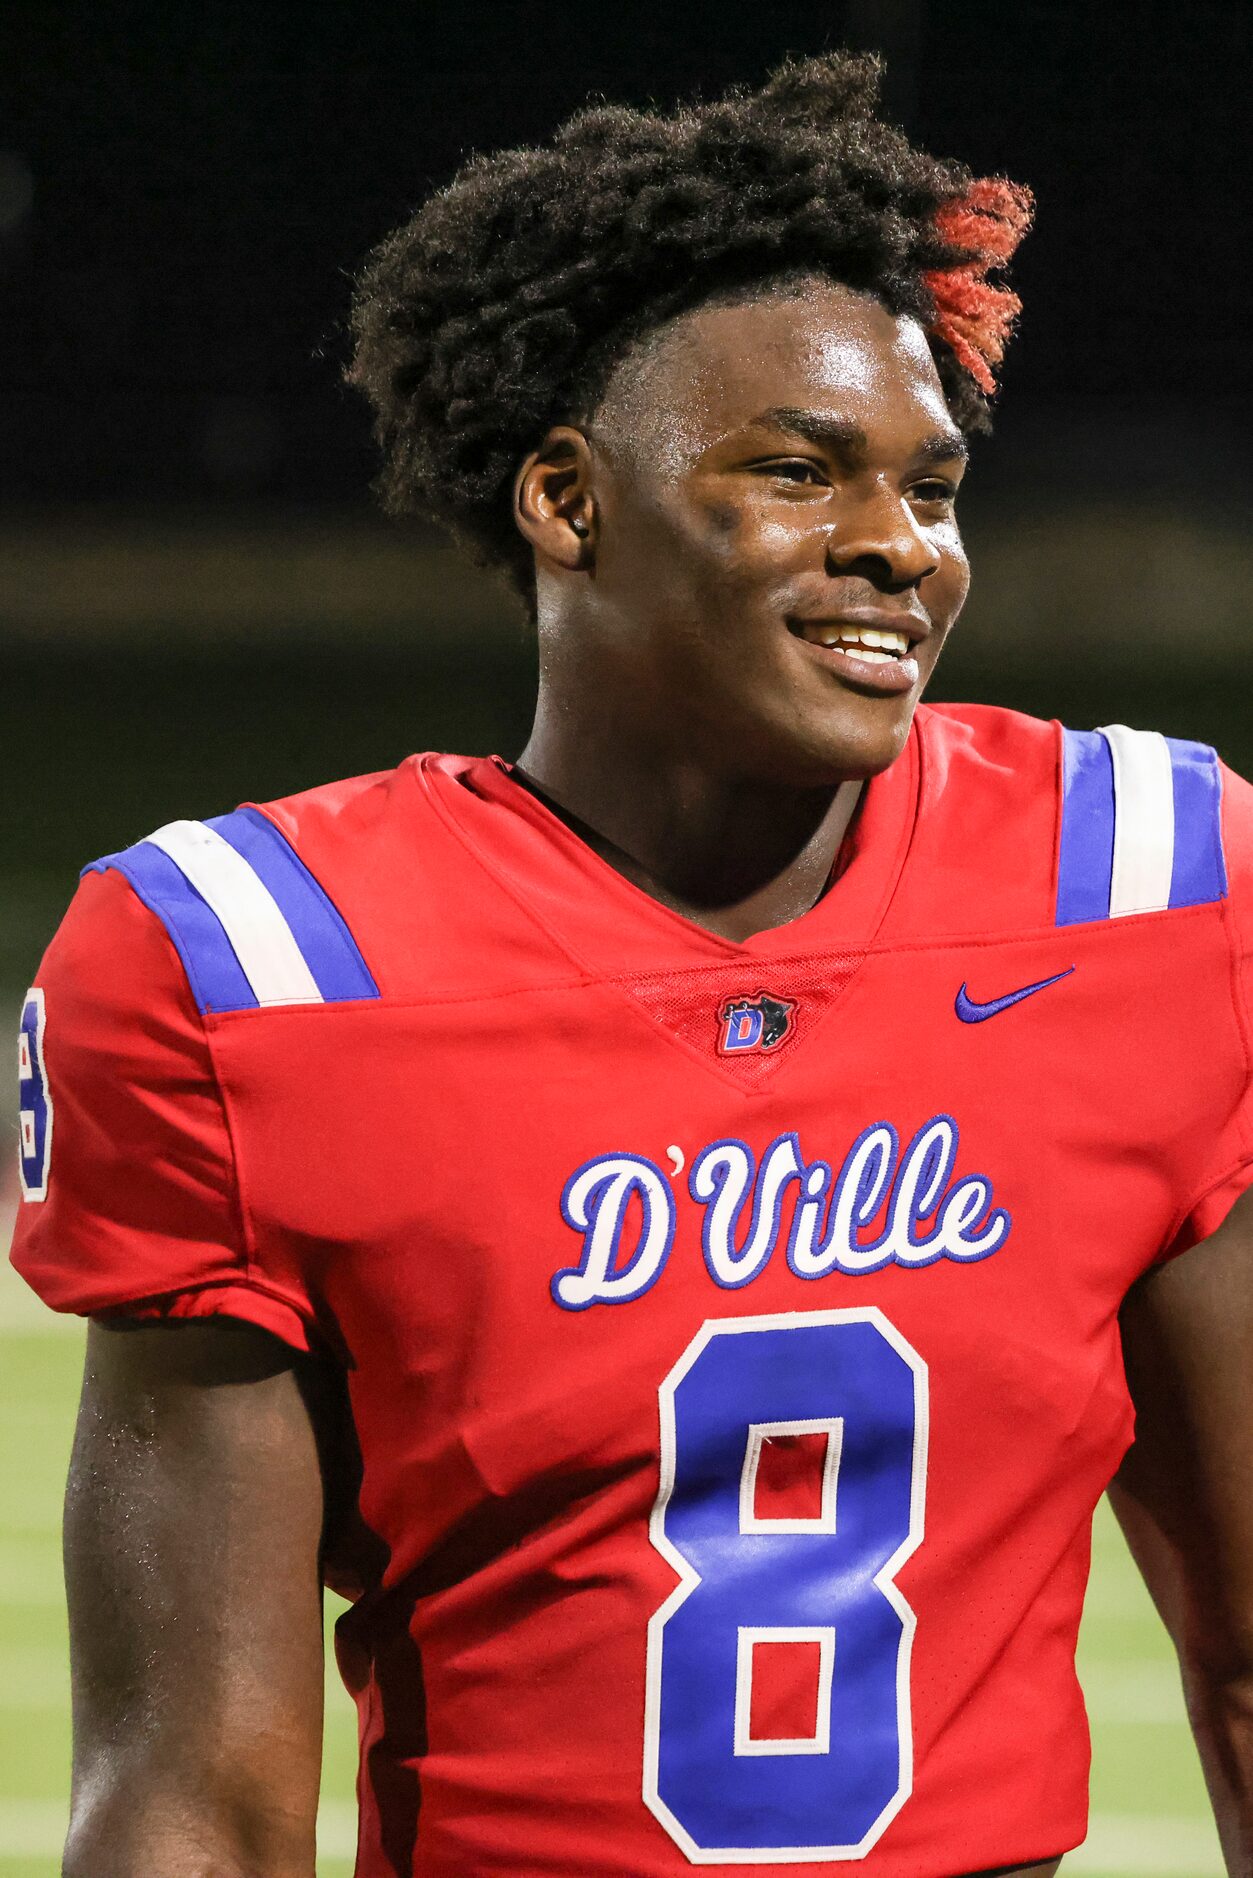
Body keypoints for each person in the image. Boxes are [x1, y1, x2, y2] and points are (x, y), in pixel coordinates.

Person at [11, 50, 1253, 1878]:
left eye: (931, 485)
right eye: (795, 471)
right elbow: (202, 1791)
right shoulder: (255, 970)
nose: (895, 547)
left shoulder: (1145, 886)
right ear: (567, 503)